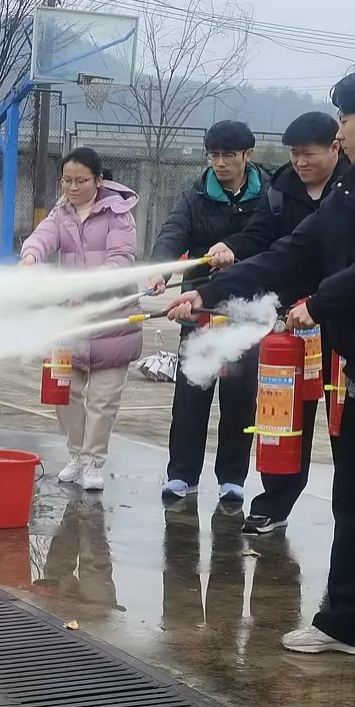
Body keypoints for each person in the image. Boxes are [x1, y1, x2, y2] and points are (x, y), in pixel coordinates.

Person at [167, 66, 355, 685]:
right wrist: (210, 292)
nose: (338, 133)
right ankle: (349, 623)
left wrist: (321, 301)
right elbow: (296, 252)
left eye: (344, 120)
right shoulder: (351, 189)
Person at [207, 112, 348, 536]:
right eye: (294, 154)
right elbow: (261, 239)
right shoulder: (281, 189)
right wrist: (230, 247)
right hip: (292, 324)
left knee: (347, 420)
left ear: (335, 148)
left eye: (309, 154)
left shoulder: (354, 187)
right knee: (283, 415)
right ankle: (275, 502)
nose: (300, 162)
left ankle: (352, 510)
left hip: (341, 320)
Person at [147, 120, 267, 504]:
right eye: (213, 155)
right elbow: (172, 233)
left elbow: (273, 239)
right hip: (198, 306)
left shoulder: (269, 195)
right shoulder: (194, 195)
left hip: (247, 309)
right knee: (191, 394)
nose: (220, 163)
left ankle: (232, 477)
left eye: (228, 155)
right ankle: (181, 475)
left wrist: (237, 251)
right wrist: (162, 271)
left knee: (240, 395)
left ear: (248, 155)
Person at [19, 148, 141, 492]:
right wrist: (30, 257)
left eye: (80, 181)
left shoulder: (119, 213)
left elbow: (121, 259)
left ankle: (92, 461)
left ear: (98, 180)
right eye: (66, 180)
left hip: (112, 322)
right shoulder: (61, 213)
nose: (72, 187)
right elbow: (43, 238)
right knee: (65, 392)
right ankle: (76, 453)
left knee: (103, 400)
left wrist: (87, 287)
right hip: (70, 322)